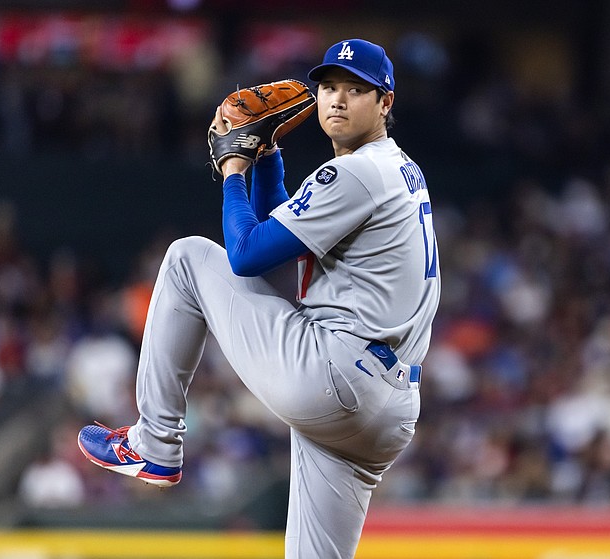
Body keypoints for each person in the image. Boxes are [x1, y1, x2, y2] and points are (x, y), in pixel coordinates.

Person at [77, 38, 440, 558]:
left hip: (336, 377)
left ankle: (155, 442)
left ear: (385, 103)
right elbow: (284, 249)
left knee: (187, 258)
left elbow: (246, 255)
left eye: (356, 90)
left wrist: (233, 171)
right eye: (329, 87)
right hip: (386, 408)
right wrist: (267, 159)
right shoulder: (396, 169)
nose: (337, 100)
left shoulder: (356, 172)